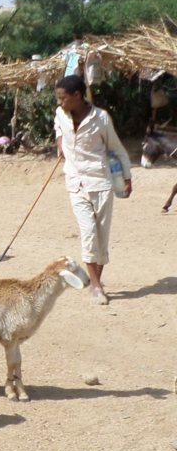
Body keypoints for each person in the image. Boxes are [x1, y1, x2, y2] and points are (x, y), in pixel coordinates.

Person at [54, 74, 132, 306]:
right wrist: (60, 142)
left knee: (101, 235)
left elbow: (117, 149)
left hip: (101, 182)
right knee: (88, 232)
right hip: (75, 182)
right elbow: (58, 126)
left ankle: (98, 279)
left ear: (77, 96)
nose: (60, 103)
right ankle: (96, 287)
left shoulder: (101, 118)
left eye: (63, 98)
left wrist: (127, 177)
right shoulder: (61, 114)